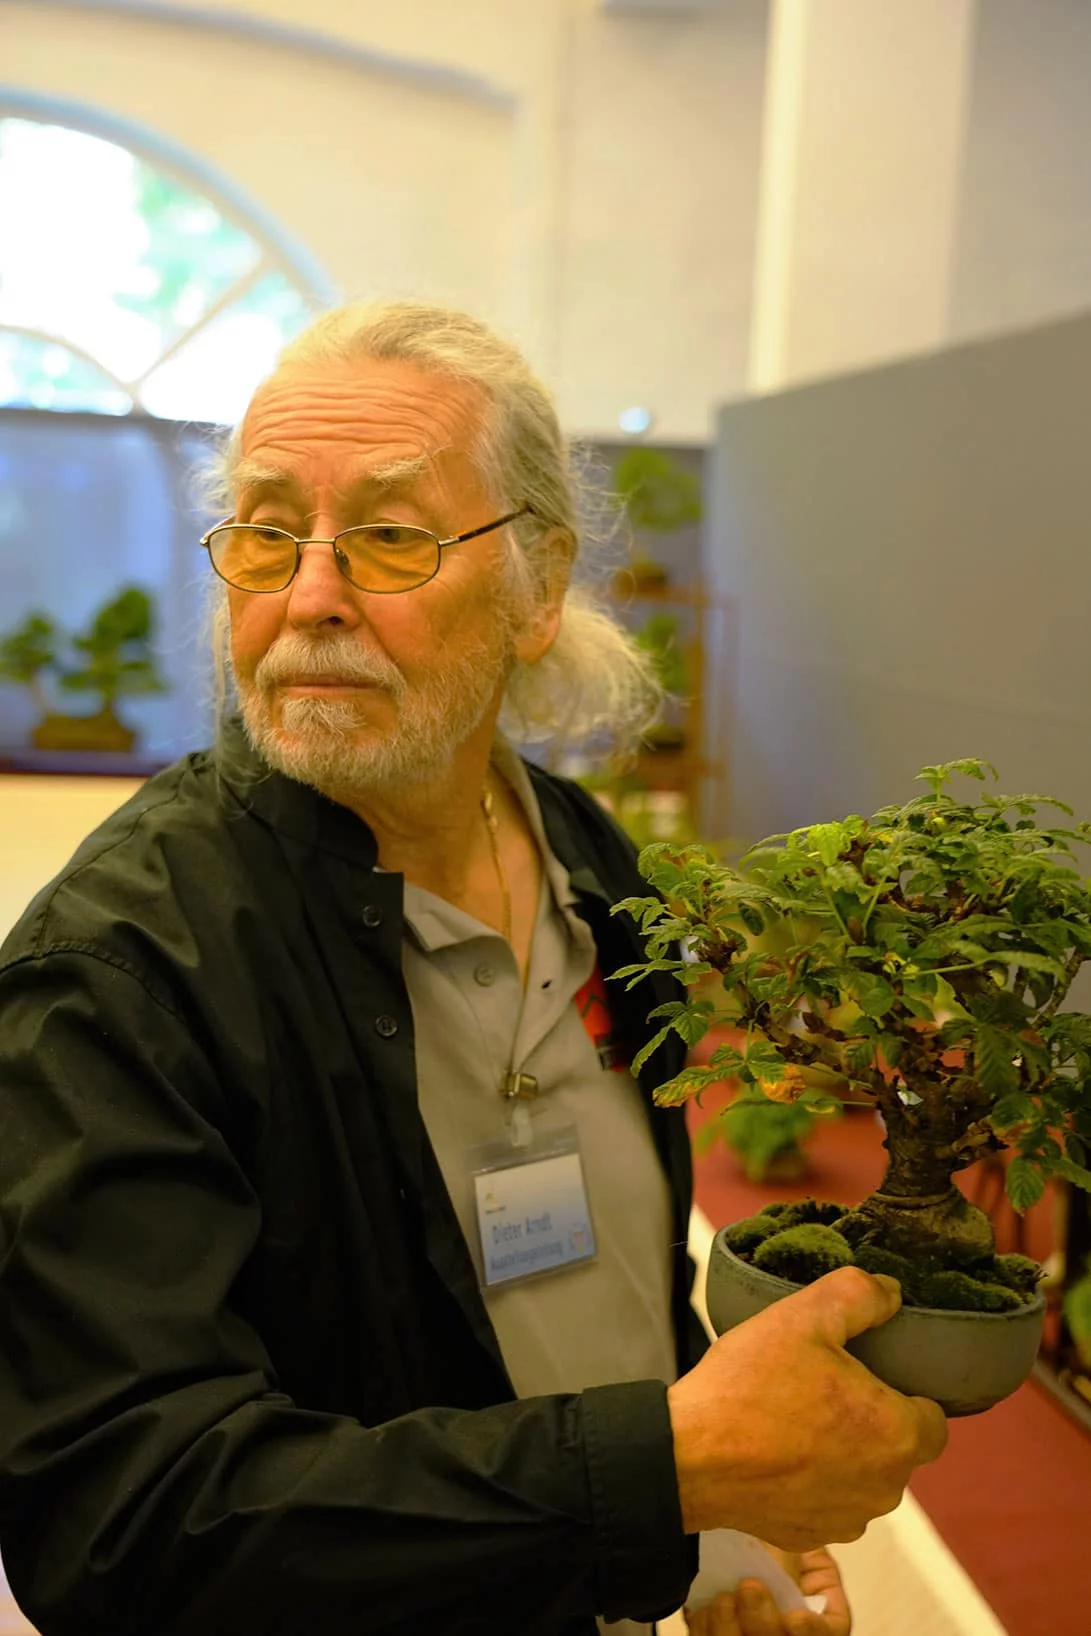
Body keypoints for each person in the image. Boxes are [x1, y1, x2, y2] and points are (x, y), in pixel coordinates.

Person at [0, 302, 947, 1636]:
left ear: (538, 585)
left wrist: (713, 1514)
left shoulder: (593, 869)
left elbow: (615, 1285)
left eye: (391, 535)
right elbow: (122, 1521)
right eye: (266, 532)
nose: (309, 597)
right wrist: (658, 1471)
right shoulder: (118, 978)